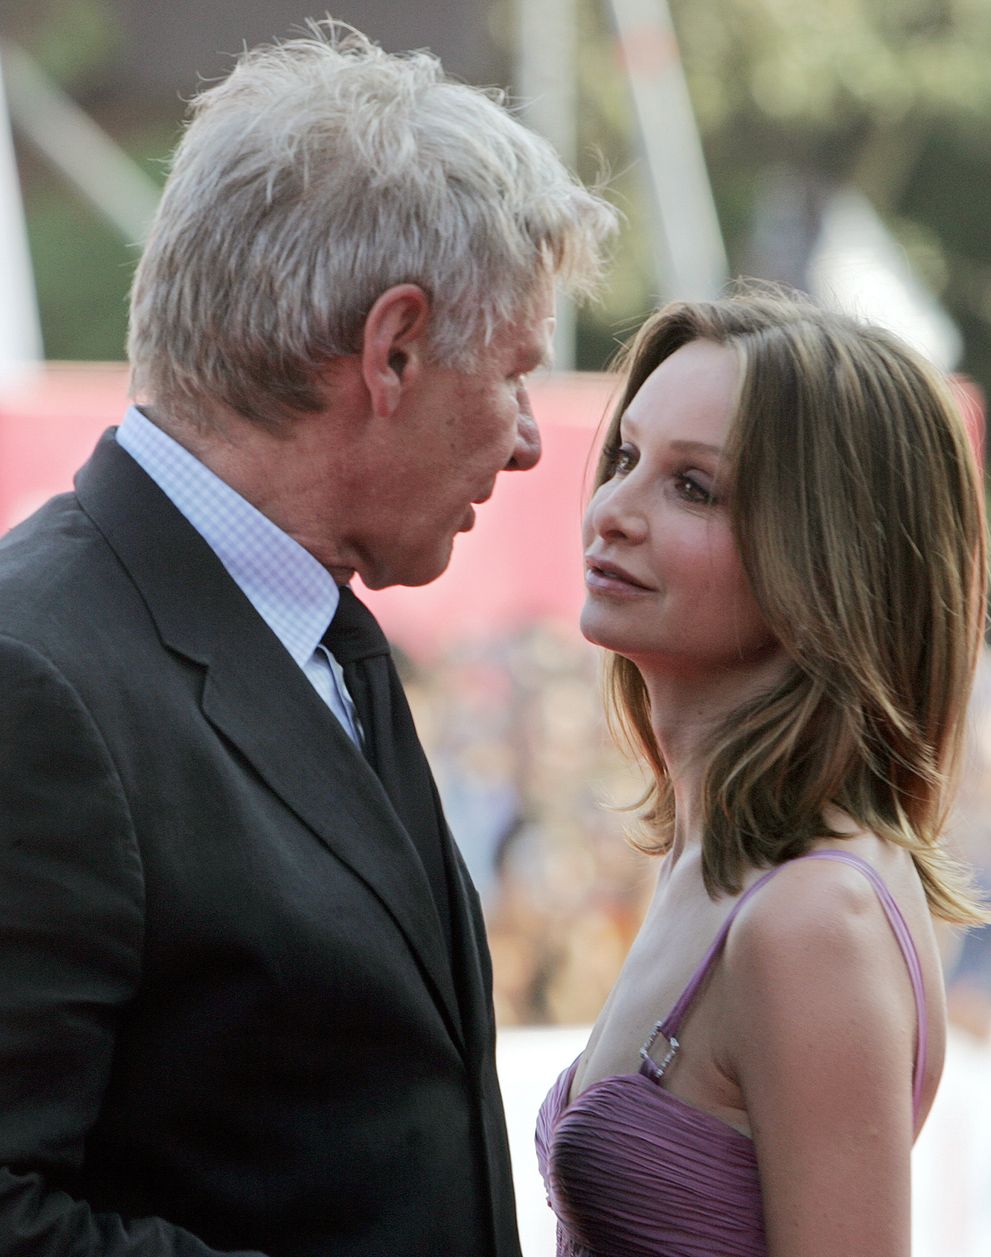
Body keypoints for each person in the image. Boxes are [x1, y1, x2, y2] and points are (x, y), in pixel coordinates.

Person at [0, 20, 615, 1257]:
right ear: (391, 350)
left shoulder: (312, 632)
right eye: (513, 375)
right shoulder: (38, 677)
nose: (532, 441)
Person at [536, 290, 991, 1256]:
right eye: (625, 458)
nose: (612, 511)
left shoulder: (809, 916)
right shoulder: (712, 853)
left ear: (828, 561)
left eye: (694, 488)